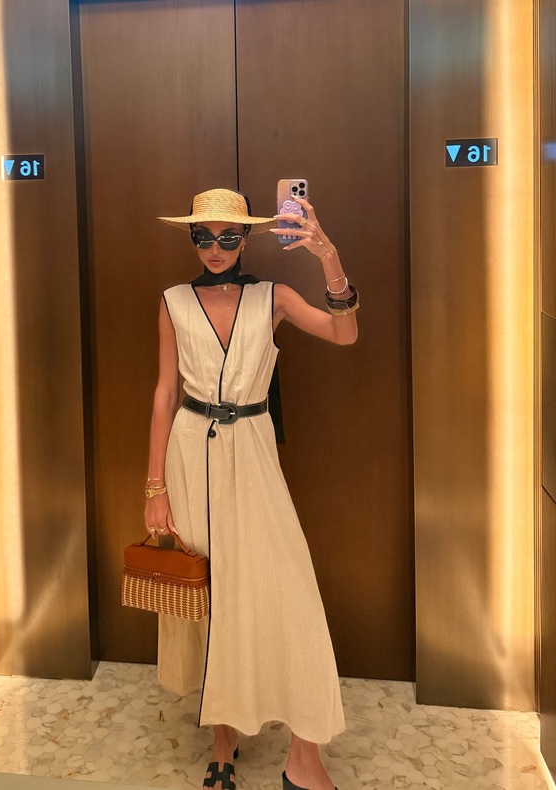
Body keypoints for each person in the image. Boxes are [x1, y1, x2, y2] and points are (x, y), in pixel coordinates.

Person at [144, 188, 358, 790]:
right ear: (192, 239)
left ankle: (305, 755)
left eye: (228, 237)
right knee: (214, 593)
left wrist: (328, 256)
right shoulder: (173, 301)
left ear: (246, 238)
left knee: (288, 590)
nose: (215, 248)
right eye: (203, 236)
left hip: (254, 450)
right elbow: (165, 392)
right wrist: (154, 485)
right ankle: (224, 736)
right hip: (191, 451)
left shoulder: (273, 296)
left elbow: (344, 334)